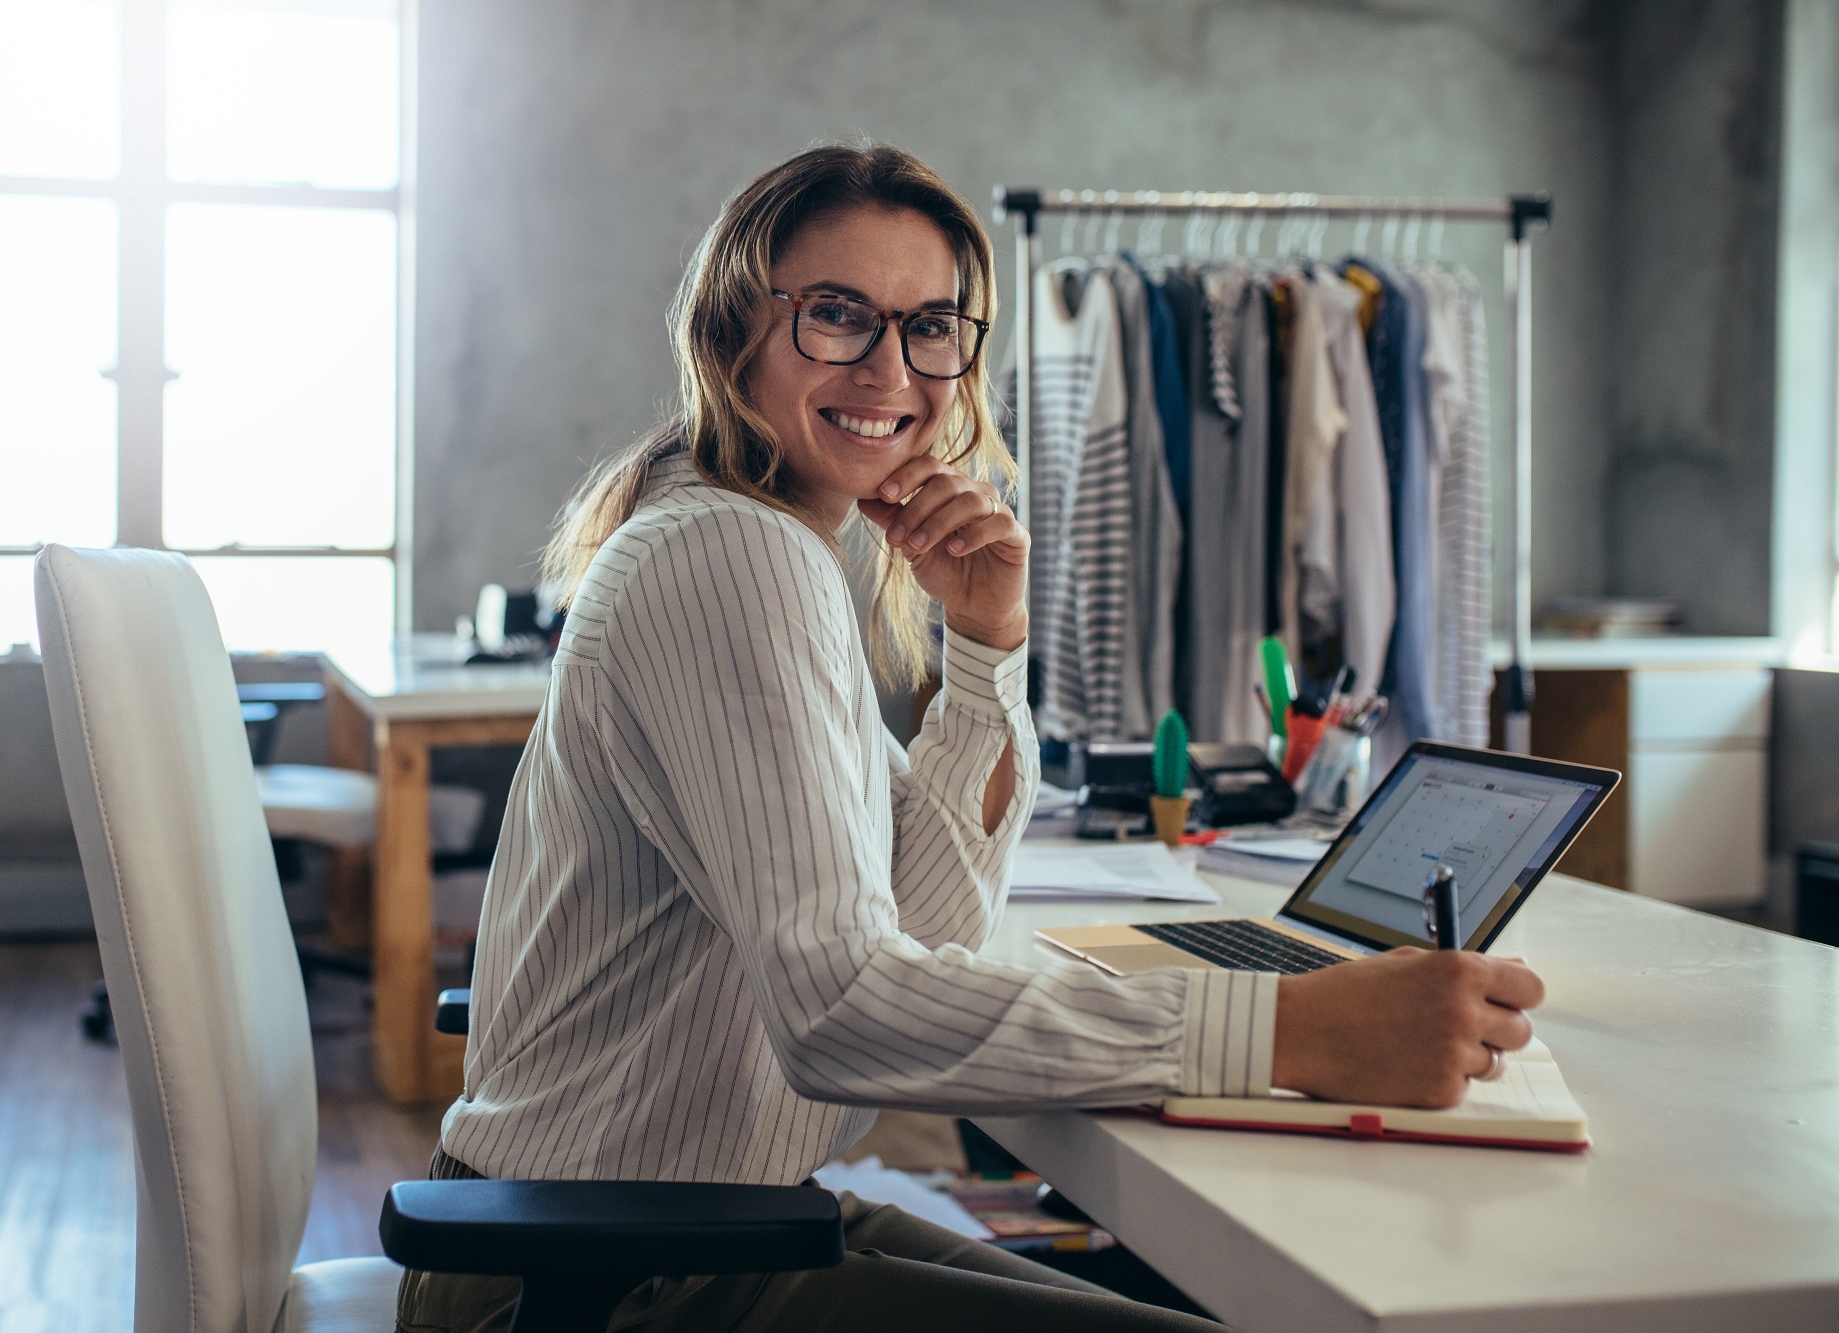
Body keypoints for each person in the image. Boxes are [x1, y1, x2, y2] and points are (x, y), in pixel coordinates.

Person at [396, 143, 1544, 1333]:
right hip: (599, 1280)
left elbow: (926, 926)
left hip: (691, 1234)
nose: (891, 367)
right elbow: (842, 1012)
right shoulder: (725, 555)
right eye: (836, 315)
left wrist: (985, 642)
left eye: (930, 324)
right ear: (732, 328)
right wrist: (1290, 1028)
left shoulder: (770, 547)